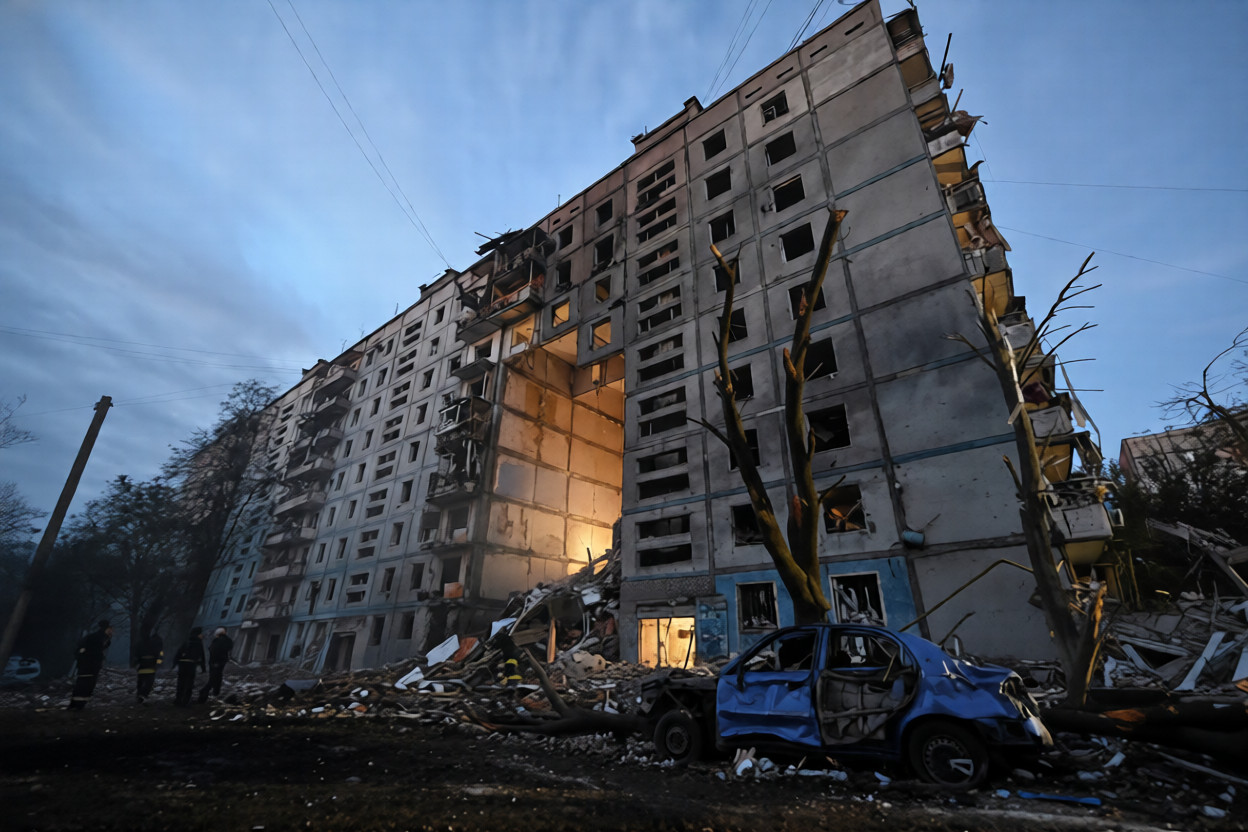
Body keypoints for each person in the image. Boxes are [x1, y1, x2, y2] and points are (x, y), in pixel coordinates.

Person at [68, 620, 113, 710]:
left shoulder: (90, 637)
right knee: (88, 684)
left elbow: (79, 650)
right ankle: (80, 705)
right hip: (92, 665)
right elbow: (103, 647)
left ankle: (74, 704)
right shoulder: (101, 637)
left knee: (80, 684)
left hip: (84, 665)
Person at [198, 627, 234, 703]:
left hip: (214, 662)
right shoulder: (228, 641)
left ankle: (204, 692)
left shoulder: (217, 641)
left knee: (213, 678)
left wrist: (213, 662)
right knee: (218, 677)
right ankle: (216, 692)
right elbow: (229, 648)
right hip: (221, 662)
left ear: (217, 634)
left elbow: (213, 651)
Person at [173, 627, 205, 706]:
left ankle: (178, 700)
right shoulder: (198, 643)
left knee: (180, 683)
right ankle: (185, 701)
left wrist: (174, 664)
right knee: (189, 684)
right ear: (198, 634)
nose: (202, 635)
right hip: (191, 665)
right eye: (201, 634)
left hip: (182, 665)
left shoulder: (186, 642)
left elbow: (178, 653)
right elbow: (202, 656)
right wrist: (203, 668)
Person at [134, 630, 164, 704]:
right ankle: (143, 695)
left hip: (142, 666)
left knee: (141, 681)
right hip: (151, 667)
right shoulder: (156, 645)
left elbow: (136, 655)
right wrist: (158, 664)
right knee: (149, 682)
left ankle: (139, 694)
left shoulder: (140, 644)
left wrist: (136, 663)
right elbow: (160, 655)